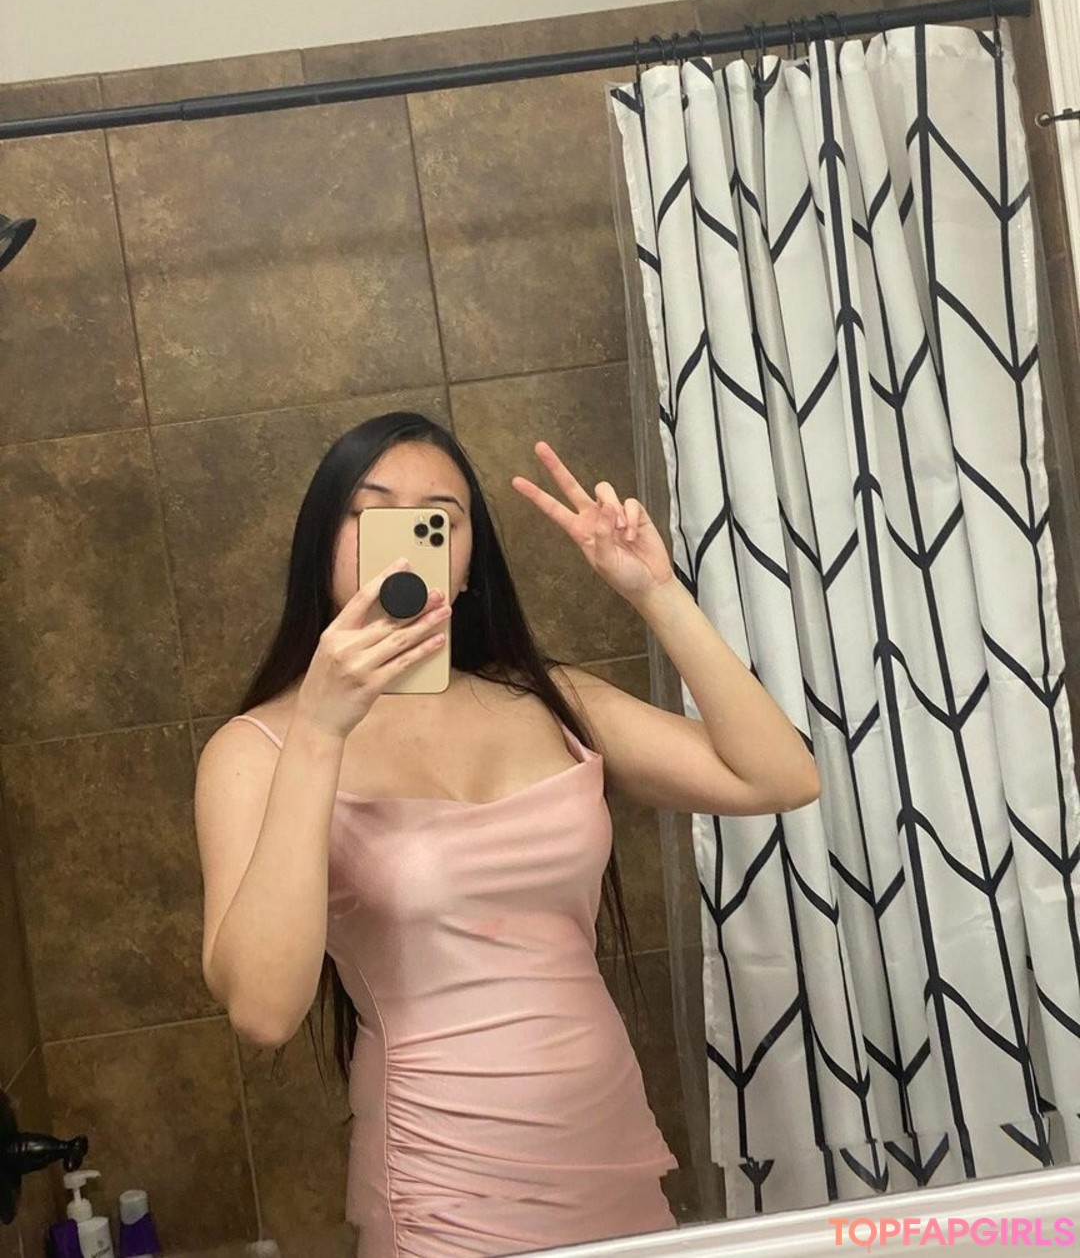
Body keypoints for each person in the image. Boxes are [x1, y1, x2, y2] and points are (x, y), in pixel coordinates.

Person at [195, 411, 820, 1258]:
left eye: (440, 521)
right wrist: (320, 728)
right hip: (444, 1183)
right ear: (322, 544)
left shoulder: (549, 699)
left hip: (607, 1149)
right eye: (370, 513)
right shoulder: (257, 751)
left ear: (466, 561)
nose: (408, 542)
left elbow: (781, 777)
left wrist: (656, 592)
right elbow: (264, 1012)